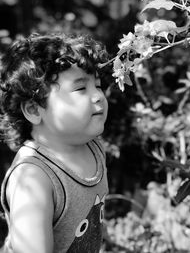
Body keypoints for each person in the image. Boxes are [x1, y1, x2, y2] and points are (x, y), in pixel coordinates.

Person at [0, 32, 110, 253]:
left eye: (97, 86)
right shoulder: (34, 178)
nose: (98, 96)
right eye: (80, 88)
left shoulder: (93, 147)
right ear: (33, 109)